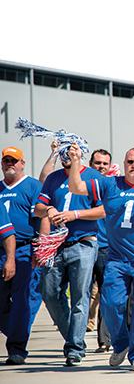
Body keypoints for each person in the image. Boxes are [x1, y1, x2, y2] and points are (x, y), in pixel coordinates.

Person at [67, 144, 134, 371]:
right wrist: (76, 160)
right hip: (117, 258)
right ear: (124, 163)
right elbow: (76, 187)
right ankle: (121, 344)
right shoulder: (110, 184)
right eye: (130, 161)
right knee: (110, 304)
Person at [34, 146, 105, 367]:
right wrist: (49, 211)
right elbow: (37, 207)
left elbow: (103, 210)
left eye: (70, 152)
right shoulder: (53, 178)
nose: (66, 156)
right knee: (49, 292)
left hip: (83, 243)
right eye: (62, 153)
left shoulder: (93, 176)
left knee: (80, 296)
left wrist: (74, 214)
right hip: (55, 245)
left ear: (79, 153)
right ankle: (75, 339)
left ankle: (74, 347)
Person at [0, 146, 45, 365]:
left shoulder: (32, 186)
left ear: (22, 163)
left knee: (21, 299)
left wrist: (40, 248)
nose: (10, 163)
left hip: (24, 250)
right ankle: (17, 333)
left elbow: (42, 217)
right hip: (0, 250)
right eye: (6, 160)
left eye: (14, 160)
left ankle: (17, 348)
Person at [87, 149, 112, 353]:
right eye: (98, 163)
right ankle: (75, 338)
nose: (101, 166)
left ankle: (104, 340)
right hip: (83, 244)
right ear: (90, 163)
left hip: (105, 247)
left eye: (105, 163)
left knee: (106, 293)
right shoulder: (84, 186)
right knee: (81, 293)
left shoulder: (112, 187)